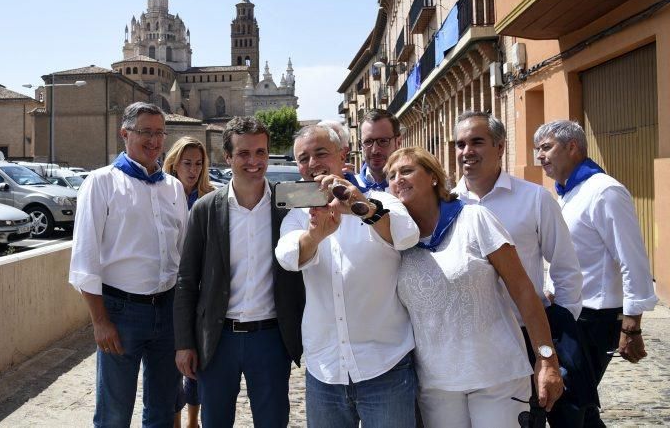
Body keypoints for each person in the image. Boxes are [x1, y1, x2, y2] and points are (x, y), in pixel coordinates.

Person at [387, 146, 564, 426]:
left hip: (497, 375)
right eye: (392, 175)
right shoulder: (396, 241)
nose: (398, 179)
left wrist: (547, 359)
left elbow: (523, 291)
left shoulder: (474, 218)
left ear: (433, 177)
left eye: (407, 170)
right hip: (437, 385)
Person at [275, 124, 420, 428]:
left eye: (321, 153)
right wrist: (314, 236)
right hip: (325, 370)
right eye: (303, 158)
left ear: (343, 155)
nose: (312, 163)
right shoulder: (298, 215)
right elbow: (287, 256)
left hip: (385, 366)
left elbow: (407, 235)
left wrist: (361, 207)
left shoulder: (382, 201)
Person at [453, 111, 585, 427]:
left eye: (476, 142)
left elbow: (566, 270)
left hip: (526, 337)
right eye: (460, 144)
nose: (466, 151)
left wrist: (557, 334)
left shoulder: (534, 199)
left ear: (500, 147)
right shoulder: (447, 205)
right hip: (467, 343)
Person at [174, 117, 305, 428]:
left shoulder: (288, 204)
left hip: (271, 339)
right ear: (228, 157)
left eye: (260, 152)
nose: (254, 161)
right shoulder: (206, 209)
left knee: (273, 421)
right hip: (219, 340)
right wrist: (184, 343)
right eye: (244, 154)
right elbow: (186, 282)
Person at [69, 102, 188, 428]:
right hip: (121, 314)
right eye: (146, 132)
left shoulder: (173, 188)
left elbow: (182, 254)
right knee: (115, 412)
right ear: (125, 133)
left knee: (163, 409)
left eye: (160, 133)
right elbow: (85, 258)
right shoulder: (101, 183)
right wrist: (100, 321)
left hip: (167, 313)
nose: (154, 141)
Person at [534, 120, 658, 427]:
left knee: (568, 402)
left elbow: (632, 258)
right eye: (537, 150)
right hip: (567, 311)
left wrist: (632, 325)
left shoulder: (605, 191)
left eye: (546, 148)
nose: (539, 156)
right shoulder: (565, 193)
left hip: (596, 316)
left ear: (572, 147)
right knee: (579, 405)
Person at [163, 137, 216, 428]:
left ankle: (193, 422)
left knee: (197, 364)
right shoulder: (162, 197)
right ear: (174, 163)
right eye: (187, 163)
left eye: (199, 164)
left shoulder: (210, 198)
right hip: (169, 292)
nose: (193, 170)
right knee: (173, 363)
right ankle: (175, 420)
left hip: (200, 294)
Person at [356, 108, 402, 191]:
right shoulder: (349, 190)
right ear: (361, 145)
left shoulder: (410, 188)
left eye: (383, 141)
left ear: (398, 142)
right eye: (368, 142)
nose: (375, 150)